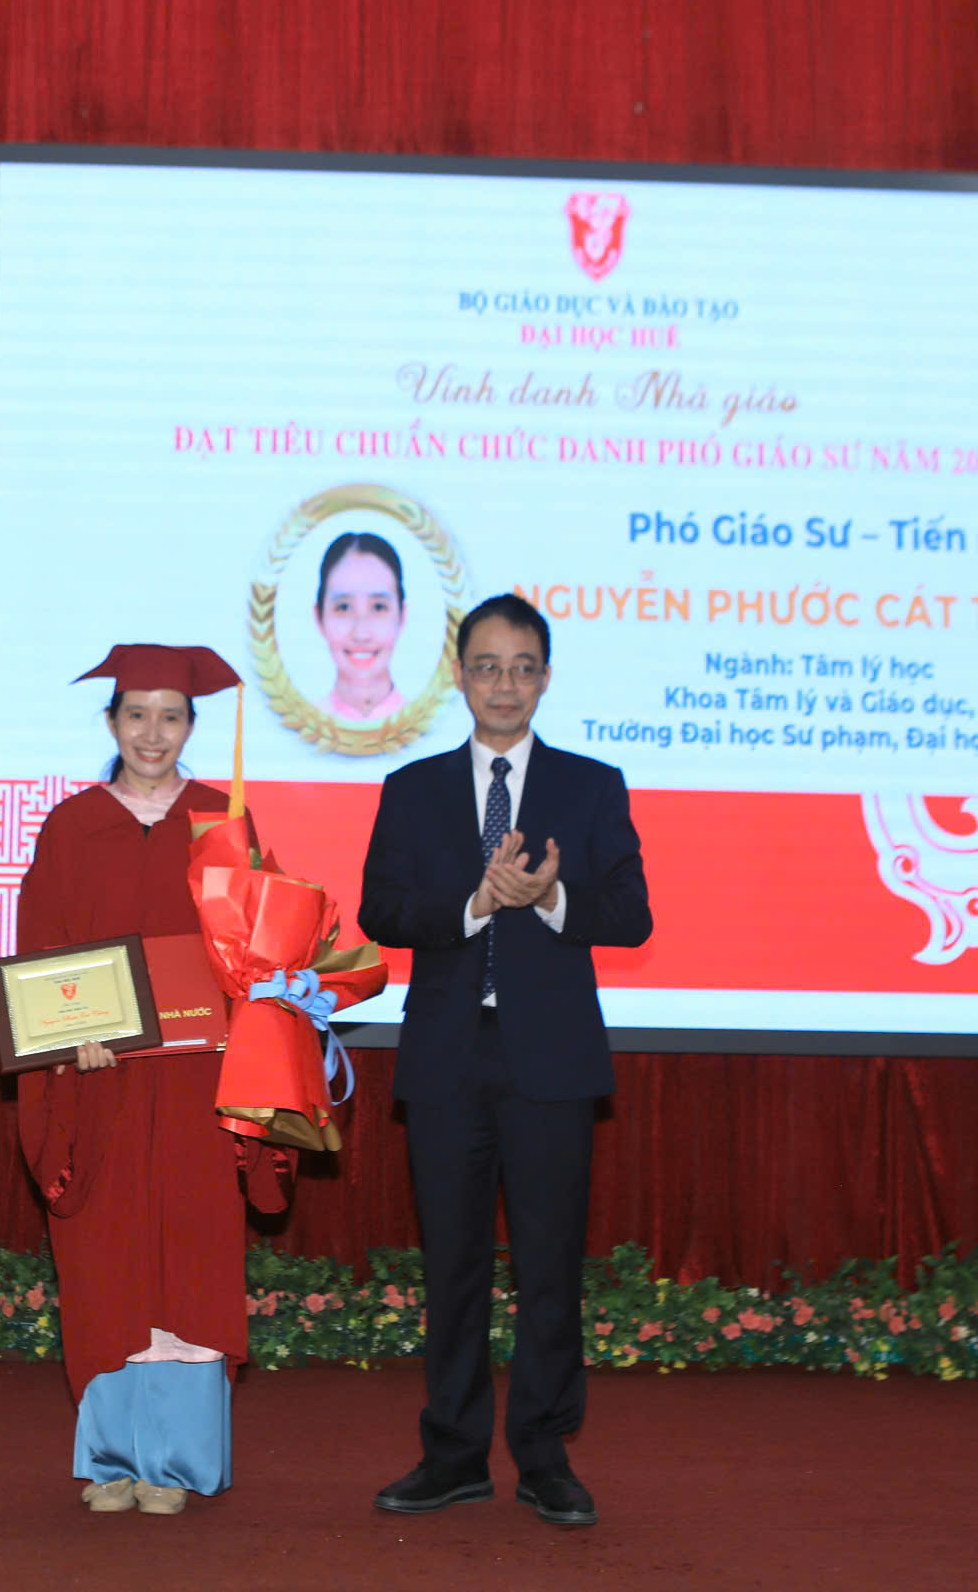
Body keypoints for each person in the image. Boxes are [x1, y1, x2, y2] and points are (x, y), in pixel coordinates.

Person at [357, 592, 651, 1528]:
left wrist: (551, 899)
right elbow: (380, 909)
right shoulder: (412, 789)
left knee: (550, 1267)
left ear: (546, 678)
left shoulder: (592, 786)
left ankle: (544, 1457)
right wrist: (476, 904)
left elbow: (632, 915)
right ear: (459, 676)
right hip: (447, 1056)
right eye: (487, 667)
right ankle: (452, 1455)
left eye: (524, 668)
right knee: (453, 1265)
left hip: (551, 1062)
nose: (505, 685)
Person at [14, 644, 258, 1516]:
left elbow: (255, 950)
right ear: (111, 721)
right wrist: (64, 1037)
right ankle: (113, 1456)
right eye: (136, 714)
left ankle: (177, 1463)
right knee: (107, 1253)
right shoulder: (71, 825)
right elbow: (42, 949)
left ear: (191, 725)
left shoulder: (223, 823)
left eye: (171, 716)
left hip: (199, 1082)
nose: (153, 732)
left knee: (190, 1251)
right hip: (102, 1081)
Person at [314, 531, 408, 722]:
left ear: (401, 616)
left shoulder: (429, 726)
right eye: (343, 607)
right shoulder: (301, 725)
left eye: (378, 607)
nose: (361, 633)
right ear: (319, 617)